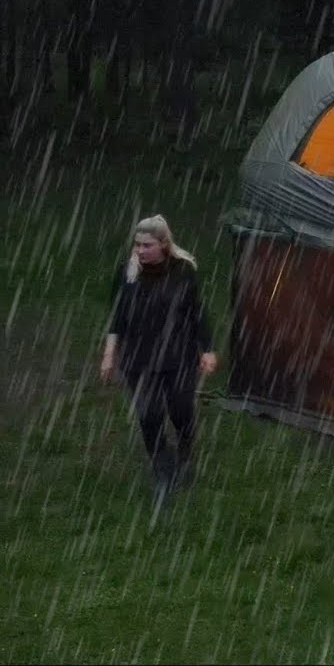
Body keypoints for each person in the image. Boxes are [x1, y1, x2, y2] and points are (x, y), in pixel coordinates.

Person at [99, 215, 217, 508]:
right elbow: (117, 317)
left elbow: (196, 312)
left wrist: (207, 349)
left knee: (180, 410)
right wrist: (109, 354)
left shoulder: (182, 270)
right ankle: (163, 474)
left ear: (164, 244)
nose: (140, 250)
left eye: (147, 245)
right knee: (148, 416)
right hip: (139, 358)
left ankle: (186, 452)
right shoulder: (127, 273)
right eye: (137, 244)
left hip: (177, 355)